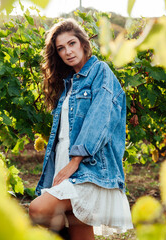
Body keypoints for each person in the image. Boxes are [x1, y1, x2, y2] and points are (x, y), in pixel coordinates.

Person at [28, 18, 133, 240]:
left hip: (87, 167)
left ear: (83, 44)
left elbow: (100, 119)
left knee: (38, 210)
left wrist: (75, 162)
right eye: (61, 48)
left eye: (72, 43)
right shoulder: (69, 84)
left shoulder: (100, 71)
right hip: (65, 163)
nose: (68, 51)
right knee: (80, 234)